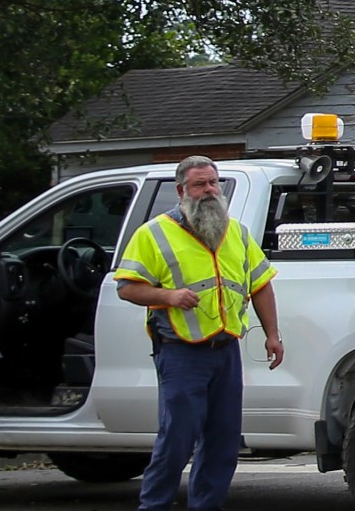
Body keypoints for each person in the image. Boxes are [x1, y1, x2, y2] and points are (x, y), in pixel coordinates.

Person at [113, 156, 282, 511]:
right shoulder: (153, 234)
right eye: (199, 185)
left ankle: (207, 506)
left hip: (226, 350)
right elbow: (127, 288)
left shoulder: (235, 231)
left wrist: (272, 334)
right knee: (177, 440)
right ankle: (154, 505)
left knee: (223, 443)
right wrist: (168, 296)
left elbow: (261, 284)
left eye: (213, 183)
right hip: (181, 352)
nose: (209, 191)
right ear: (181, 191)